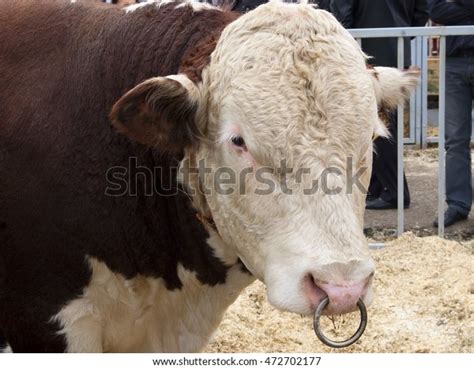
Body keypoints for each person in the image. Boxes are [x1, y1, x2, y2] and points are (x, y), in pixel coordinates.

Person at [331, 0, 429, 210]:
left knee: (379, 125)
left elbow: (343, 13)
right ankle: (377, 187)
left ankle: (395, 191)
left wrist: (347, 50)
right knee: (382, 122)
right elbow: (422, 11)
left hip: (365, 53)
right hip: (396, 46)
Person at [428, 0, 474, 227]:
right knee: (455, 139)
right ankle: (458, 203)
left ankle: (459, 202)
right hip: (454, 61)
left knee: (455, 140)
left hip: (455, 60)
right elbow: (435, 10)